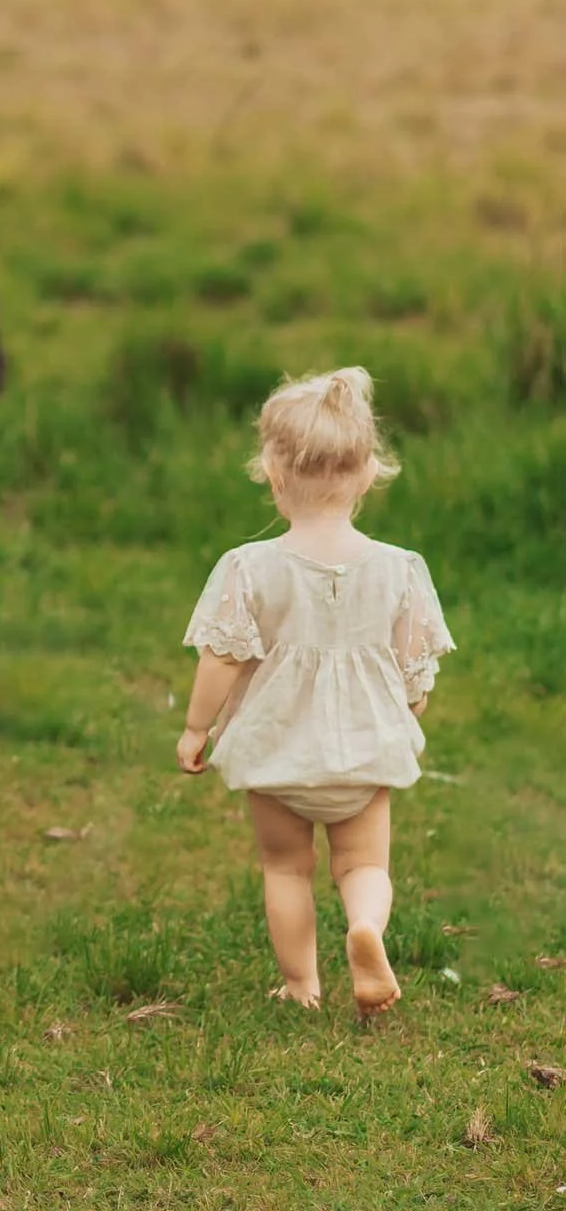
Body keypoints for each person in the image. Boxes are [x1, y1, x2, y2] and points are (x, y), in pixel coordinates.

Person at [176, 366, 454, 1015]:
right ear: (365, 474)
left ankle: (301, 985)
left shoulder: (247, 567)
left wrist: (196, 728)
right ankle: (364, 928)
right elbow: (415, 666)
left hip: (277, 756)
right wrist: (406, 709)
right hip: (363, 754)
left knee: (285, 869)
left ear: (272, 475)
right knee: (363, 867)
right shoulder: (399, 569)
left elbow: (219, 658)